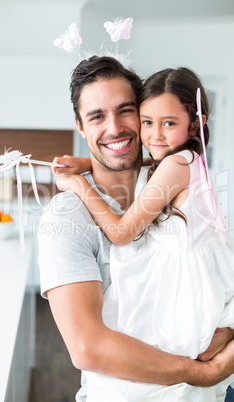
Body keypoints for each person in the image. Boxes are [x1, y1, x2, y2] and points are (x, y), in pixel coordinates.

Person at [38, 57, 234, 401]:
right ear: (80, 126)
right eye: (97, 116)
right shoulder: (66, 218)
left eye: (126, 111)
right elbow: (87, 348)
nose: (115, 128)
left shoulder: (166, 176)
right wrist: (204, 371)